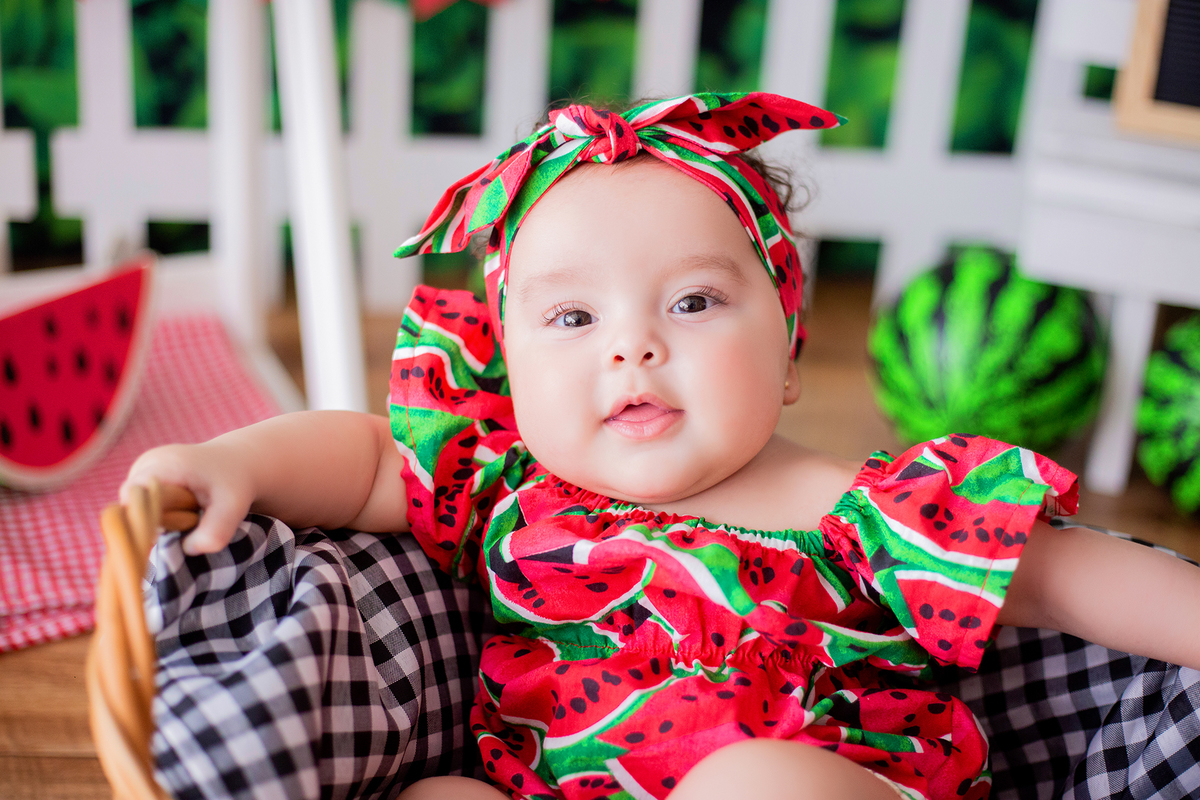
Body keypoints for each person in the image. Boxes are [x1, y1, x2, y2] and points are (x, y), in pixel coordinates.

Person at [122, 93, 1200, 800]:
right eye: (572, 317)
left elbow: (1073, 579)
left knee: (754, 788)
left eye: (692, 301)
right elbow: (365, 459)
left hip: (818, 782)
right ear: (507, 366)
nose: (632, 346)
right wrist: (241, 464)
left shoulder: (868, 508)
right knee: (437, 794)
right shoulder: (505, 483)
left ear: (788, 349)